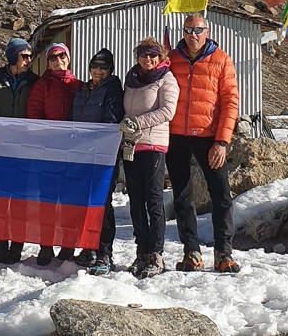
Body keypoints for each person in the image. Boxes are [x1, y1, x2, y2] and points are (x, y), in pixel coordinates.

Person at [167, 13, 241, 273]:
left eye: (198, 30)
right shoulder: (172, 58)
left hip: (209, 137)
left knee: (220, 194)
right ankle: (191, 251)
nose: (193, 35)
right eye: (188, 30)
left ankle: (224, 253)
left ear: (207, 32)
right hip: (176, 135)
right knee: (182, 195)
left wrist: (222, 141)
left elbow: (230, 102)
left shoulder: (221, 60)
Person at [119, 37, 179, 278]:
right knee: (135, 200)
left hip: (153, 144)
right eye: (144, 54)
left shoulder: (166, 78)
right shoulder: (132, 78)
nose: (148, 59)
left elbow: (167, 111)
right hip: (132, 145)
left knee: (153, 199)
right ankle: (141, 251)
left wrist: (137, 122)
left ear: (161, 56)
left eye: (153, 54)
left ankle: (156, 253)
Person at [26, 42, 83, 265]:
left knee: (70, 201)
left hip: (73, 153)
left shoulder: (78, 85)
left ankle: (68, 245)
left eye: (62, 57)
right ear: (48, 63)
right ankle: (46, 246)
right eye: (53, 58)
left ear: (68, 59)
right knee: (48, 202)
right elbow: (34, 115)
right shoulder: (42, 85)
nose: (58, 61)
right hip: (49, 153)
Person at [69, 48, 124, 275]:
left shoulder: (112, 89)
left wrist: (97, 140)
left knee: (102, 203)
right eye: (95, 66)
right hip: (82, 154)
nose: (98, 70)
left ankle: (104, 252)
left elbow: (112, 119)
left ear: (110, 70)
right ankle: (88, 247)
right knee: (85, 202)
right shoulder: (83, 89)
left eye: (104, 67)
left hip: (103, 155)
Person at [0, 38, 38, 265]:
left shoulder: (34, 81)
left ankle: (16, 246)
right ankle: (1, 245)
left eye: (30, 56)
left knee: (20, 201)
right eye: (23, 56)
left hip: (24, 150)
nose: (28, 60)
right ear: (12, 57)